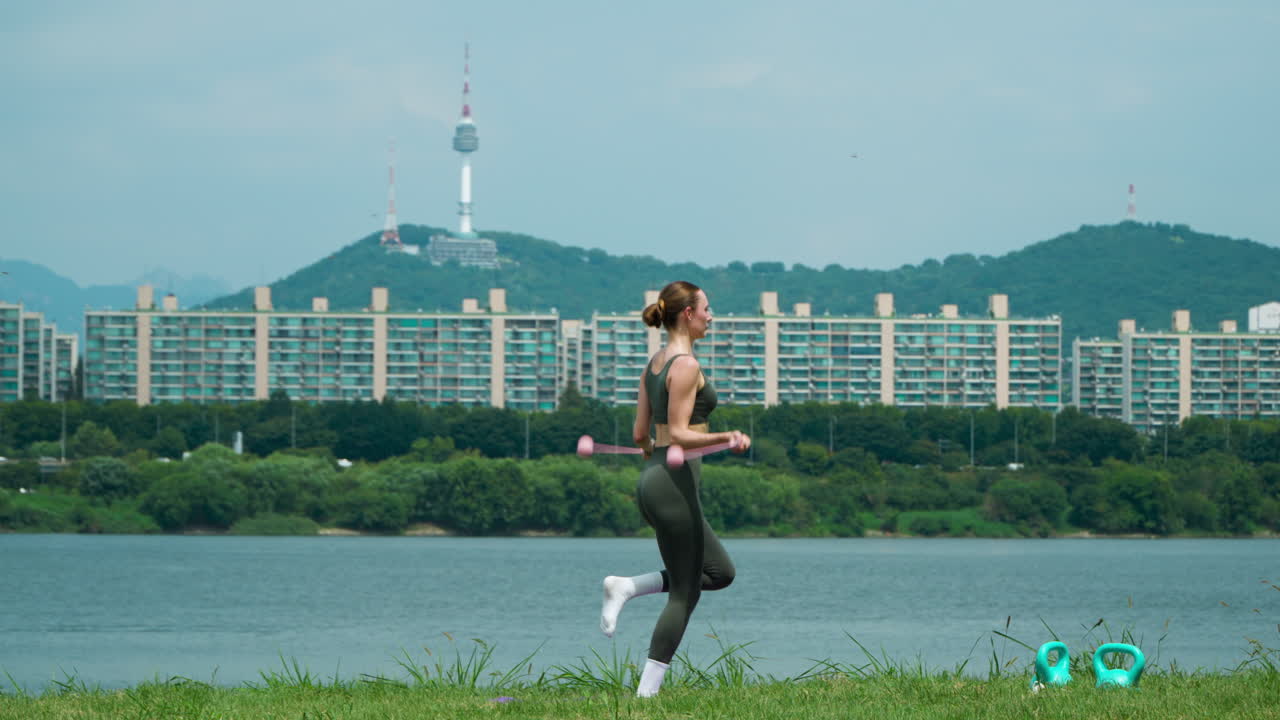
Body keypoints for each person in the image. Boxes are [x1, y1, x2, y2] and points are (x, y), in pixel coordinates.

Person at [597, 280, 751, 698]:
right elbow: (681, 432)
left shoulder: (655, 364)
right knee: (685, 593)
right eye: (706, 309)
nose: (710, 316)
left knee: (720, 573)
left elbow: (639, 435)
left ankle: (627, 586)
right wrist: (728, 436)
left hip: (655, 481)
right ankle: (645, 698)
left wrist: (659, 448)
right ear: (687, 314)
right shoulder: (685, 366)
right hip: (672, 485)